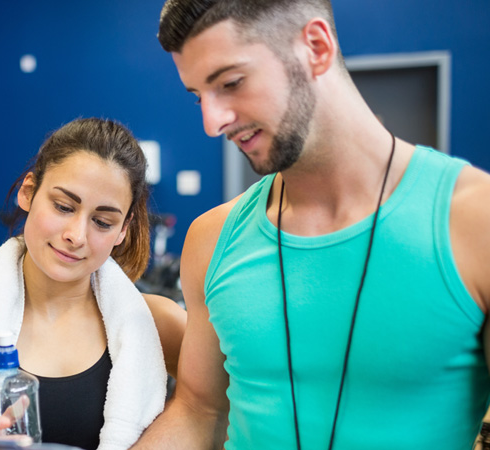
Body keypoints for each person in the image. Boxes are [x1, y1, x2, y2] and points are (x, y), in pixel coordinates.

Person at [133, 1, 490, 449]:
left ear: (316, 47)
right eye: (198, 96)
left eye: (231, 83)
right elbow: (199, 411)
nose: (212, 121)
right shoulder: (213, 237)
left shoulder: (475, 221)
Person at [0, 117, 187, 450]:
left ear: (123, 230)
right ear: (28, 193)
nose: (76, 236)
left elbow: (213, 414)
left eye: (102, 222)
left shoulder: (158, 324)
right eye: (64, 206)